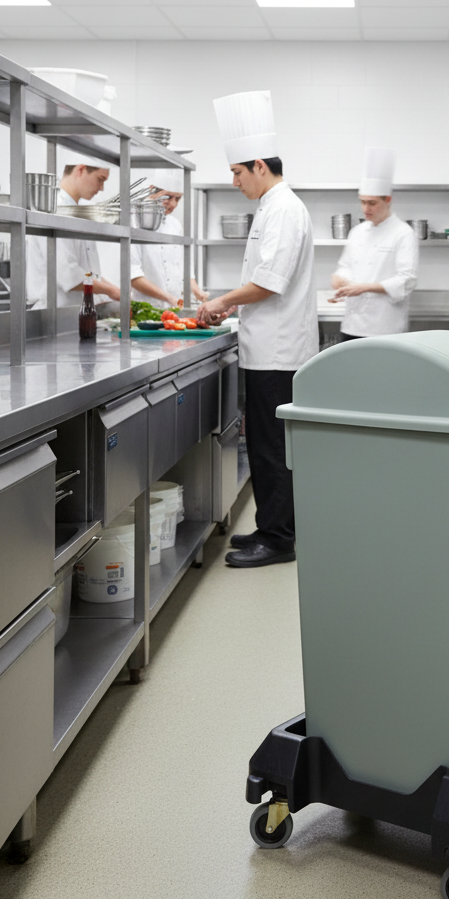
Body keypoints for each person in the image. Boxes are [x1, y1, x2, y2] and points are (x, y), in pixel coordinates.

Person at [198, 90, 318, 569]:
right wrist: (231, 307)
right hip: (266, 348)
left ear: (259, 167)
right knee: (267, 445)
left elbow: (269, 282)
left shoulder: (285, 209)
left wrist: (223, 301)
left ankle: (280, 539)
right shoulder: (272, 207)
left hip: (279, 353)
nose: (234, 181)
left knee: (272, 449)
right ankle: (271, 528)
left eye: (237, 172)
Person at [329, 148, 418, 338]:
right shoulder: (357, 232)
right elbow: (345, 266)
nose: (365, 209)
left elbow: (407, 279)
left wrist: (364, 287)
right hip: (352, 325)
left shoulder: (403, 233)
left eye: (372, 203)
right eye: (362, 202)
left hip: (385, 327)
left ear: (388, 200)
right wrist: (339, 279)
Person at [26, 163, 121, 308]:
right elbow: (68, 274)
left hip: (76, 312)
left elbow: (88, 273)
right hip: (53, 312)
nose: (101, 188)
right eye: (100, 179)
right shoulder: (53, 208)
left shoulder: (78, 212)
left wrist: (114, 290)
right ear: (81, 170)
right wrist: (111, 290)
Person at [131, 171, 208, 308]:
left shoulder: (175, 224)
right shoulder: (134, 222)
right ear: (152, 190)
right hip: (146, 309)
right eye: (168, 197)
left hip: (175, 308)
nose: (172, 204)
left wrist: (196, 291)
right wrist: (169, 298)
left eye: (177, 199)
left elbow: (184, 266)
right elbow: (133, 276)